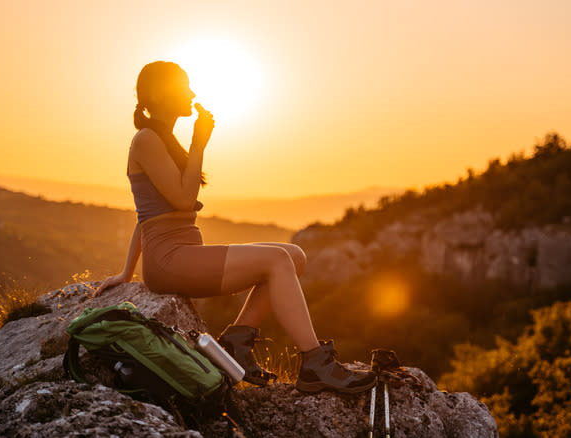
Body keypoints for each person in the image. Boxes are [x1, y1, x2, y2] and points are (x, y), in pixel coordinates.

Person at [92, 61, 376, 394]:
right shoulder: (146, 140)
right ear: (158, 93)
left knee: (293, 255)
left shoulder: (163, 140)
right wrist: (199, 144)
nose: (192, 93)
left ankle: (237, 343)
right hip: (170, 260)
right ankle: (315, 364)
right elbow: (183, 202)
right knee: (277, 262)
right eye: (184, 86)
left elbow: (145, 216)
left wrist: (127, 272)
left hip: (180, 255)